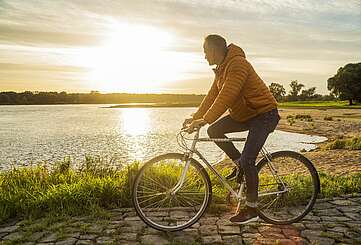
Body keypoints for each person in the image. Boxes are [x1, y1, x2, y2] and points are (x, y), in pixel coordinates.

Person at [183, 34, 280, 224]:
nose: (204, 57)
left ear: (213, 50)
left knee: (248, 159)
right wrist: (195, 118)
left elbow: (227, 96)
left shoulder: (237, 64)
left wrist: (205, 119)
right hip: (246, 115)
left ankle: (251, 209)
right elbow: (212, 97)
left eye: (205, 52)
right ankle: (240, 166)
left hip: (264, 114)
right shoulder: (221, 69)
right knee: (214, 131)